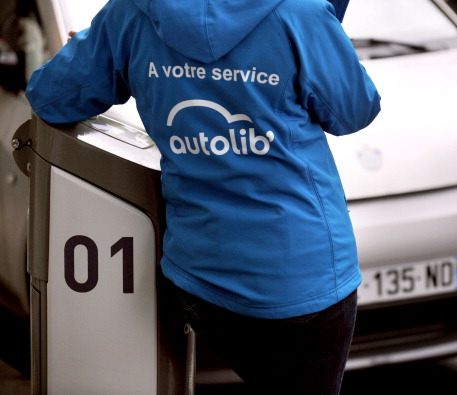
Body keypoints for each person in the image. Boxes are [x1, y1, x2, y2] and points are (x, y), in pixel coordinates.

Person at [25, 0, 380, 393]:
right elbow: (354, 111)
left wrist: (107, 57)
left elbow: (49, 97)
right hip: (301, 279)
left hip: (202, 279)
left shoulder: (130, 13)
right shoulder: (299, 14)